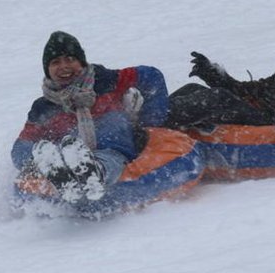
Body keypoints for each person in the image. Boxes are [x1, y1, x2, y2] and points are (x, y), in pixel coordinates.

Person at [11, 31, 169, 204]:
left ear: (81, 62)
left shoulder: (106, 80)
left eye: (70, 59)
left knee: (110, 157)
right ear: (47, 70)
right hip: (67, 153)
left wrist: (151, 126)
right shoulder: (44, 108)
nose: (64, 66)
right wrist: (35, 161)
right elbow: (21, 146)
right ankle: (59, 173)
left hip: (113, 149)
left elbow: (152, 77)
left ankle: (92, 173)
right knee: (55, 151)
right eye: (55, 62)